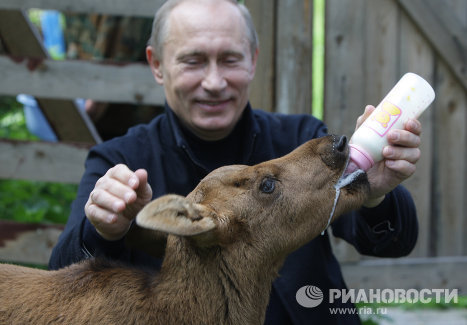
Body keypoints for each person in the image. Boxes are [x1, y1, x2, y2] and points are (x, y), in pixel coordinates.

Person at [49, 0, 421, 324]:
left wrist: (373, 193)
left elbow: (393, 242)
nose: (214, 82)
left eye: (229, 59)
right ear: (157, 64)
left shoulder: (297, 138)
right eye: (193, 61)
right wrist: (102, 228)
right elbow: (60, 280)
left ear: (253, 60)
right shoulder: (121, 160)